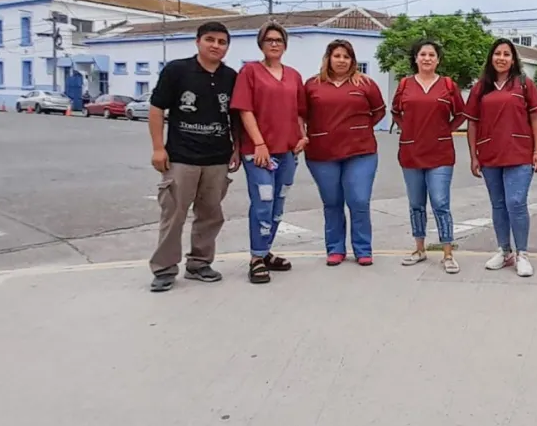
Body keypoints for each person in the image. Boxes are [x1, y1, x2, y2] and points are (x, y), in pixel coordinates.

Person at [147, 21, 240, 293]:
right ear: (198, 41)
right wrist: (157, 148)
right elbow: (156, 109)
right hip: (181, 157)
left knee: (210, 215)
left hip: (217, 159)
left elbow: (234, 115)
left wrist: (236, 148)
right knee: (173, 214)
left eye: (222, 42)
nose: (216, 46)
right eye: (210, 39)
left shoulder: (231, 77)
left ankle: (199, 263)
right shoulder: (177, 70)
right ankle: (164, 269)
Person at [230, 22, 308, 284]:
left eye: (279, 40)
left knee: (277, 205)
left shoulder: (293, 75)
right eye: (269, 39)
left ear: (285, 45)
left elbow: (299, 111)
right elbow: (244, 109)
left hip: (287, 151)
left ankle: (265, 251)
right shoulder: (250, 71)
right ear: (260, 43)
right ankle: (255, 258)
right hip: (258, 152)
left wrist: (301, 136)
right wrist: (259, 143)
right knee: (263, 202)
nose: (274, 44)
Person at [464, 38, 537, 277]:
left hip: (519, 153)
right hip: (490, 155)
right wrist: (473, 156)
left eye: (506, 54)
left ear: (513, 59)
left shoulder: (524, 84)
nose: (501, 58)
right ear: (491, 58)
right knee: (498, 204)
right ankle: (504, 250)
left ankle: (522, 253)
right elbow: (472, 122)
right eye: (497, 53)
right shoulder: (481, 87)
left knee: (516, 202)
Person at [304, 40, 386, 266]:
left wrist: (358, 129)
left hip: (361, 152)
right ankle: (335, 249)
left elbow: (378, 112)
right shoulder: (312, 85)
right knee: (332, 202)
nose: (341, 60)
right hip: (322, 154)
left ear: (352, 60)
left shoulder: (365, 84)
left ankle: (363, 249)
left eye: (346, 57)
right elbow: (301, 115)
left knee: (359, 200)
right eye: (337, 56)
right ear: (328, 58)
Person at [391, 39, 465, 274]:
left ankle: (447, 253)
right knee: (416, 204)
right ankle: (419, 249)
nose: (427, 59)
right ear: (416, 59)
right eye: (423, 54)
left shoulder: (447, 85)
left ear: (438, 60)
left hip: (440, 152)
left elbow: (461, 113)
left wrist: (446, 129)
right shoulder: (405, 85)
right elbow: (395, 111)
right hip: (411, 151)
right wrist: (408, 129)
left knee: (441, 203)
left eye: (432, 55)